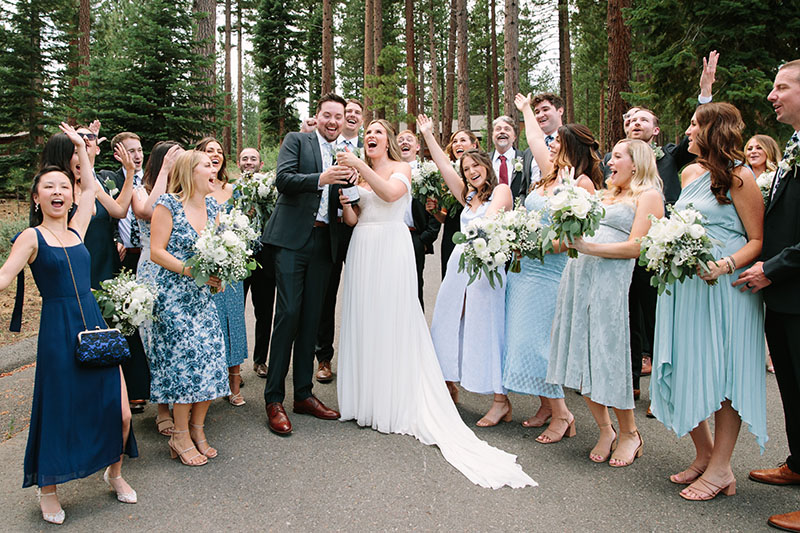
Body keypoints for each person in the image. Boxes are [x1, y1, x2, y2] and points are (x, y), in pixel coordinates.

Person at [334, 118, 535, 488]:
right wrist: (347, 198)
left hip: (421, 253)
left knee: (462, 325)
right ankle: (377, 396)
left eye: (379, 132)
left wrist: (361, 165)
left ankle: (491, 396)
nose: (372, 137)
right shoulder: (468, 196)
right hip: (366, 247)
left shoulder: (402, 168)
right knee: (397, 322)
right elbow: (355, 216)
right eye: (369, 133)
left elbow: (394, 196)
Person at [0, 123, 138, 525]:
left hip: (95, 326)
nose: (58, 192)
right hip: (58, 331)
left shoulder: (79, 229)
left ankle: (115, 474)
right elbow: (5, 276)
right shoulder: (31, 237)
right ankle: (48, 490)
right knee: (59, 412)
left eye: (63, 186)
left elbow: (92, 191)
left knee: (122, 412)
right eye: (49, 187)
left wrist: (81, 147)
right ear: (37, 196)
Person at [651, 102, 765, 500]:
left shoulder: (741, 178)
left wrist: (725, 264)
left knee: (725, 370)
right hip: (690, 286)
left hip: (727, 288)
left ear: (713, 131)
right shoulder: (690, 173)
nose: (687, 131)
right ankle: (704, 455)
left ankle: (720, 470)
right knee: (688, 365)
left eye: (695, 124)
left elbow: (757, 240)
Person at [602, 51, 718, 400]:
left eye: (642, 120)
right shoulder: (614, 162)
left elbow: (701, 133)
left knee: (658, 318)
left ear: (655, 130)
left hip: (659, 252)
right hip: (624, 250)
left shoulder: (672, 155)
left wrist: (705, 91)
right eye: (629, 120)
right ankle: (632, 384)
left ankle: (664, 392)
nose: (634, 123)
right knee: (628, 319)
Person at [547, 137, 664, 468]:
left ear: (637, 163)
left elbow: (636, 247)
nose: (610, 162)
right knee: (580, 355)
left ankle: (630, 433)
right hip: (578, 277)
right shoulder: (603, 194)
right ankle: (605, 428)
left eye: (617, 158)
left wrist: (590, 249)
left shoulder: (648, 196)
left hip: (610, 282)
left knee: (607, 356)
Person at [503, 93, 599, 443]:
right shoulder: (549, 174)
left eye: (557, 141)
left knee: (541, 344)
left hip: (550, 271)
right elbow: (530, 137)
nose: (551, 145)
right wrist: (526, 109)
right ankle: (546, 405)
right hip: (524, 271)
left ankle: (563, 414)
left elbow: (575, 238)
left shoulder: (581, 184)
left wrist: (533, 245)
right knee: (523, 339)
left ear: (572, 146)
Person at [261, 93, 350, 435]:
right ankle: (274, 400)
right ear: (317, 116)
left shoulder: (345, 154)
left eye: (338, 117)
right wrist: (321, 179)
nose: (332, 121)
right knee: (288, 314)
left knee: (312, 318)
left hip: (325, 241)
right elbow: (283, 180)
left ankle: (303, 395)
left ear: (343, 121)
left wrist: (349, 184)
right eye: (327, 115)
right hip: (291, 240)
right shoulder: (297, 141)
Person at [735, 59, 800, 531]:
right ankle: (799, 461)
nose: (772, 95)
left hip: (793, 284)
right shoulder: (795, 146)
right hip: (781, 292)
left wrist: (772, 268)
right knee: (793, 389)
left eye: (782, 87)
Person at [418, 114, 515, 426]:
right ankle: (447, 383)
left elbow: (488, 229)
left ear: (486, 165)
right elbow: (445, 167)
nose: (471, 172)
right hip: (459, 267)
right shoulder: (468, 195)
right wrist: (429, 135)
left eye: (476, 167)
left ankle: (500, 400)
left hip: (486, 268)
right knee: (448, 321)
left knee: (485, 329)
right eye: (467, 170)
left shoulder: (501, 192)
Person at [149, 150, 230, 465]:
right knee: (186, 364)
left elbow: (219, 250)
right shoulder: (167, 204)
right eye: (207, 165)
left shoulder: (213, 206)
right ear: (189, 172)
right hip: (173, 298)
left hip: (204, 299)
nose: (214, 169)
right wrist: (190, 270)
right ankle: (179, 435)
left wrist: (221, 274)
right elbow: (156, 251)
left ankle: (197, 429)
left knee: (211, 358)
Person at [131, 140, 184, 436]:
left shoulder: (184, 192)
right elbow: (147, 212)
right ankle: (162, 409)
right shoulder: (142, 190)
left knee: (177, 340)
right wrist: (164, 169)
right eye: (174, 157)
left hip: (180, 271)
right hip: (153, 271)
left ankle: (182, 403)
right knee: (155, 341)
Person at [196, 137, 248, 406]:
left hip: (231, 264)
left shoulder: (233, 190)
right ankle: (211, 382)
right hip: (205, 265)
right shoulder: (195, 189)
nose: (215, 155)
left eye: (218, 151)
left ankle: (235, 384)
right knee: (211, 322)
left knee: (234, 322)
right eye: (208, 151)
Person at [314, 98, 363, 383]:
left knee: (361, 292)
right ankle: (323, 358)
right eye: (349, 113)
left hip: (362, 227)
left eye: (357, 112)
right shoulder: (326, 146)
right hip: (331, 227)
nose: (352, 116)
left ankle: (361, 357)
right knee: (326, 293)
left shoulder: (368, 147)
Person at [106, 131, 150, 415]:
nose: (136, 155)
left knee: (147, 320)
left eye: (139, 149)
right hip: (122, 258)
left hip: (146, 254)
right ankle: (132, 389)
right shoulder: (108, 180)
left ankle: (149, 384)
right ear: (117, 154)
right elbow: (104, 214)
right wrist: (113, 239)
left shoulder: (150, 178)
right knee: (126, 322)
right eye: (130, 151)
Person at [76, 122, 136, 289]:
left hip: (108, 258)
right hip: (82, 257)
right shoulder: (67, 183)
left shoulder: (105, 180)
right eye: (80, 138)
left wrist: (117, 238)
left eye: (90, 137)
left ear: (98, 149)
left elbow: (119, 213)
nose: (85, 141)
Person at [237, 148, 276, 380]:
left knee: (264, 310)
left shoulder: (270, 187)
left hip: (265, 255)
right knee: (235, 310)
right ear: (239, 163)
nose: (249, 162)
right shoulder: (232, 188)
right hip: (238, 255)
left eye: (253, 159)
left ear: (260, 164)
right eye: (244, 159)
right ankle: (234, 367)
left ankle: (260, 360)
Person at [427, 129, 480, 278]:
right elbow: (445, 218)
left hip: (475, 232)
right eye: (455, 141)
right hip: (451, 235)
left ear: (474, 145)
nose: (458, 144)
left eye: (463, 140)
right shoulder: (445, 179)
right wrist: (435, 211)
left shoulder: (481, 173)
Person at [397, 129, 441, 306]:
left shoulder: (428, 172)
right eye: (400, 140)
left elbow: (436, 208)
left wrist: (424, 240)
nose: (404, 142)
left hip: (415, 236)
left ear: (417, 147)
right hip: (391, 235)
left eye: (409, 140)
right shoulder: (388, 171)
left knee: (414, 286)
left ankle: (415, 331)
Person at [522, 93, 565, 185]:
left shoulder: (574, 141)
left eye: (545, 109)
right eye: (537, 112)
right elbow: (523, 189)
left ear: (560, 111)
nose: (540, 115)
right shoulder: (528, 152)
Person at [490, 116, 530, 199]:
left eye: (507, 129)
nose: (502, 132)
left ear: (514, 136)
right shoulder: (485, 160)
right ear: (493, 135)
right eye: (498, 129)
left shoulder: (525, 159)